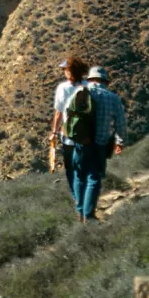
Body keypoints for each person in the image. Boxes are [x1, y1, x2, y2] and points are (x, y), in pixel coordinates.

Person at [68, 65, 127, 222]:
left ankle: (80, 212)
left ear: (90, 80)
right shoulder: (113, 98)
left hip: (82, 143)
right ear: (105, 82)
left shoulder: (81, 93)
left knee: (79, 176)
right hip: (100, 143)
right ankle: (89, 216)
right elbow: (120, 122)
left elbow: (70, 117)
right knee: (93, 178)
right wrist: (120, 141)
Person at [49, 57, 89, 196]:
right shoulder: (89, 86)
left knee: (70, 168)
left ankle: (78, 197)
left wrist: (54, 132)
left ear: (71, 71)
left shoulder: (63, 88)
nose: (63, 71)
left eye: (65, 69)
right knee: (84, 167)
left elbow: (58, 112)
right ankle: (86, 196)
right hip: (87, 135)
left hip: (68, 135)